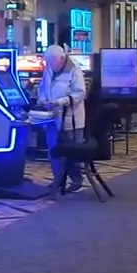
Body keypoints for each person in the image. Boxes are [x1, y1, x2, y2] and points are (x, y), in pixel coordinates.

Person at [38, 44, 88, 194]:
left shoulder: (74, 70)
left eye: (52, 62)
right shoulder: (49, 68)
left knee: (72, 153)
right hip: (52, 117)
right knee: (54, 150)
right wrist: (43, 100)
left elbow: (80, 94)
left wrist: (61, 101)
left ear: (61, 59)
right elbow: (42, 87)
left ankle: (76, 180)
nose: (50, 66)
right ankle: (58, 179)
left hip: (71, 119)